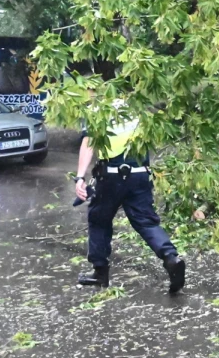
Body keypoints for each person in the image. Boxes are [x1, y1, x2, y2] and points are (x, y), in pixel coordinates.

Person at [75, 103, 186, 294]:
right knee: (146, 222)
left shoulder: (97, 108)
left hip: (110, 176)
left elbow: (89, 143)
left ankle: (100, 272)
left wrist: (79, 177)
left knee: (99, 220)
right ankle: (170, 258)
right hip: (140, 174)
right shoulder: (139, 105)